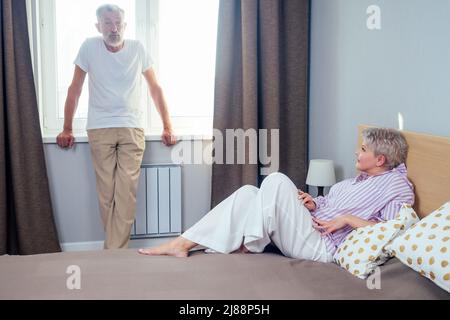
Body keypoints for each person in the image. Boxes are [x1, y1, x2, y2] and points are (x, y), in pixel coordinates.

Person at [138, 127, 414, 262]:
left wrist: (349, 220)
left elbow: (395, 230)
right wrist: (313, 202)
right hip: (310, 227)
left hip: (323, 247)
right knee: (248, 192)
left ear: (380, 160)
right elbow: (327, 204)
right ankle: (183, 243)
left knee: (277, 179)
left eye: (364, 149)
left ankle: (250, 243)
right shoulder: (356, 181)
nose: (357, 151)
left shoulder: (396, 186)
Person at [56, 4, 176, 249]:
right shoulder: (89, 47)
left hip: (132, 128)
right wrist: (67, 128)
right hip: (100, 129)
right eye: (108, 23)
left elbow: (155, 89)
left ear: (125, 24)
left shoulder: (138, 49)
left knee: (126, 192)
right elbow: (74, 89)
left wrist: (167, 125)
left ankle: (113, 253)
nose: (114, 28)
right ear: (98, 26)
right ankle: (116, 252)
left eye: (118, 22)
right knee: (106, 193)